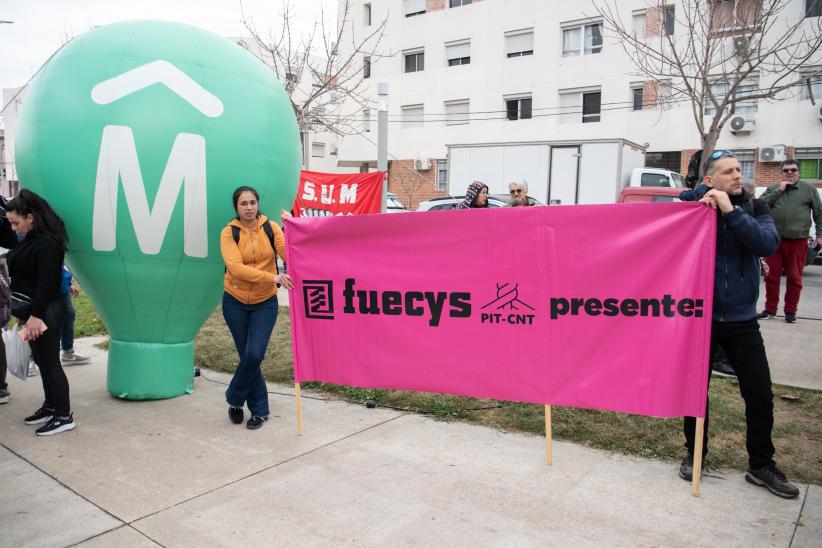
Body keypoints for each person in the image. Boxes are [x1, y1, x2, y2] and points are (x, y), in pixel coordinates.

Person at [678, 150, 798, 498]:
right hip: (702, 321)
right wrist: (701, 198)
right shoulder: (697, 204)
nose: (736, 176)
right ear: (710, 180)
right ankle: (695, 454)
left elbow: (766, 243)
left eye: (738, 170)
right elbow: (675, 205)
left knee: (759, 395)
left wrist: (730, 211)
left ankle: (761, 466)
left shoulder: (754, 208)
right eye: (727, 172)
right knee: (696, 394)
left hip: (744, 321)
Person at [0, 189, 74, 436]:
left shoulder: (47, 243)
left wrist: (35, 316)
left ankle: (64, 416)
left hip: (46, 311)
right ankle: (51, 406)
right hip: (36, 311)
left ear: (30, 217)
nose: (13, 228)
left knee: (51, 364)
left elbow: (47, 283)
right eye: (10, 223)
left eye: (16, 222)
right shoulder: (30, 239)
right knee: (42, 362)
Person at [220, 186, 293, 430]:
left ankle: (234, 397)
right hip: (235, 301)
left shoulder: (271, 228)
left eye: (252, 202)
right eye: (244, 204)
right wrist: (271, 277)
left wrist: (293, 228)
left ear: (258, 204)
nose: (249, 207)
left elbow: (290, 255)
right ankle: (260, 411)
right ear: (236, 207)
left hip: (265, 302)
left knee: (254, 355)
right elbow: (236, 268)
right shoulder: (229, 233)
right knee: (247, 357)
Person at [757, 159, 822, 323]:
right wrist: (779, 191)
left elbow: (819, 213)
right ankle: (770, 309)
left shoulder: (808, 190)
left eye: (793, 170)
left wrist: (820, 235)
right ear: (781, 173)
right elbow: (759, 205)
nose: (790, 173)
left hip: (798, 241)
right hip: (774, 241)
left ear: (798, 172)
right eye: (786, 170)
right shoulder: (773, 188)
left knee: (794, 277)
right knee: (771, 276)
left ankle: (790, 311)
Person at [58, 265, 90, 365]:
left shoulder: (57, 250)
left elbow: (59, 264)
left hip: (61, 286)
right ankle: (30, 359)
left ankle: (68, 352)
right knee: (36, 321)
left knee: (69, 316)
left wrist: (68, 284)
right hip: (43, 287)